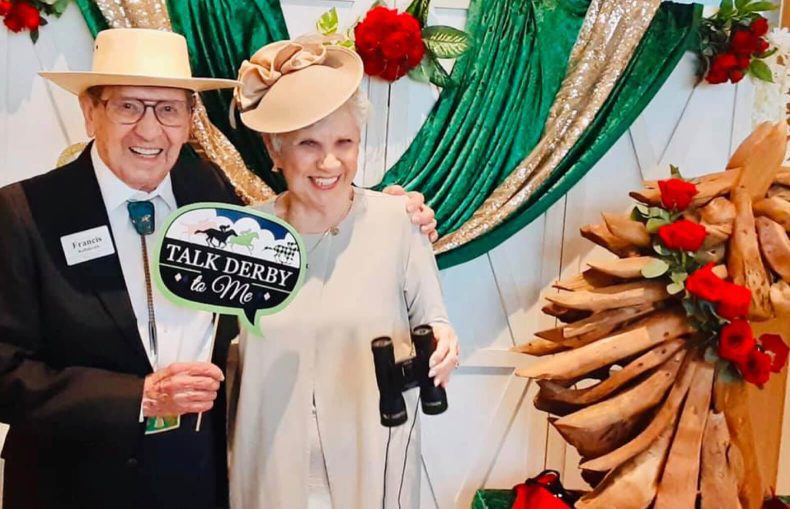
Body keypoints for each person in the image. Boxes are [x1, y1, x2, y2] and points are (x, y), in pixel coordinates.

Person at [0, 28, 438, 509]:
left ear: (190, 119)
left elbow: (312, 227)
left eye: (168, 109)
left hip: (195, 483)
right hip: (70, 488)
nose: (150, 130)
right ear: (90, 112)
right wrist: (138, 398)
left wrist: (395, 213)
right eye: (129, 106)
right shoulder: (25, 212)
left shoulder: (215, 200)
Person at [229, 39, 459, 509]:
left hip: (374, 471)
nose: (329, 162)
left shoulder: (398, 223)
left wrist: (444, 342)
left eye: (344, 142)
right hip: (268, 475)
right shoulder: (243, 234)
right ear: (275, 149)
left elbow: (436, 322)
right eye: (308, 144)